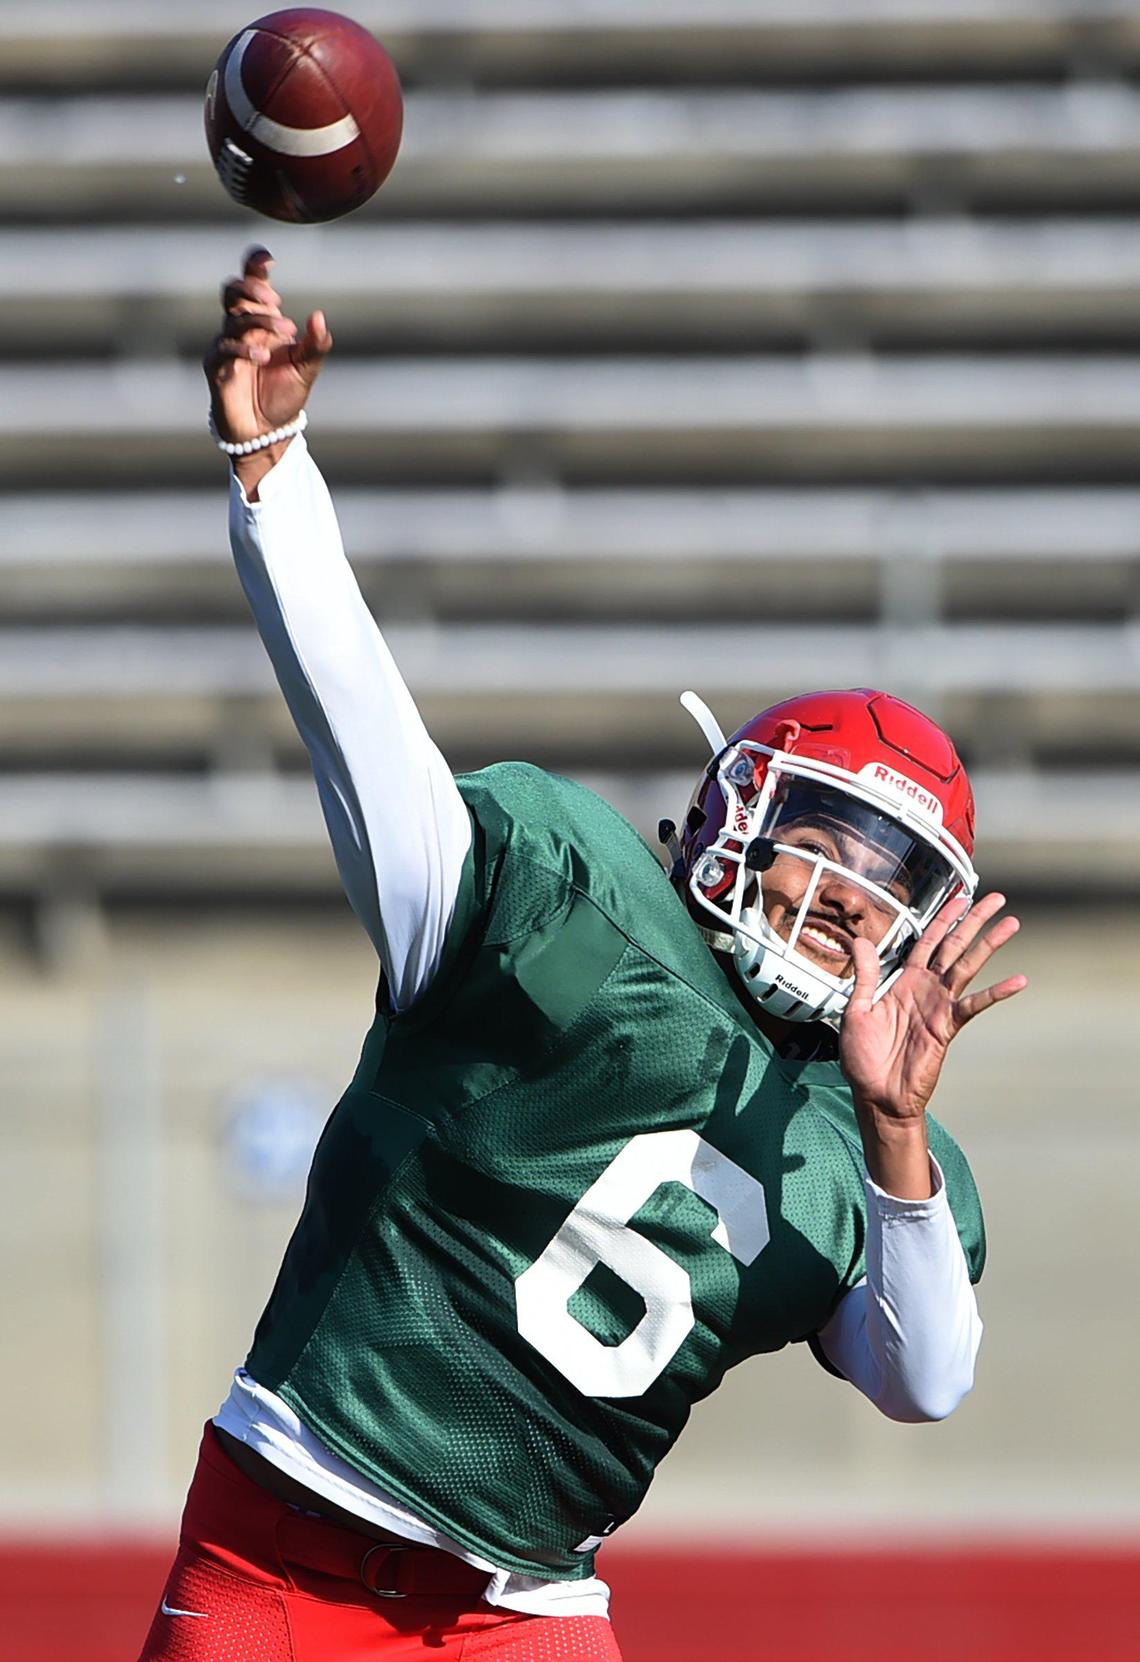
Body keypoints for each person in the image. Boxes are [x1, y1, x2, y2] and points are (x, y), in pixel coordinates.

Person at [137, 249, 1026, 1661]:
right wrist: (273, 474)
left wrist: (898, 1132)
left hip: (527, 1609)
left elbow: (926, 1377)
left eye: (894, 879)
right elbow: (364, 735)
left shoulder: (862, 1142)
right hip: (289, 1539)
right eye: (830, 842)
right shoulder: (566, 902)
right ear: (738, 809)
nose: (855, 899)